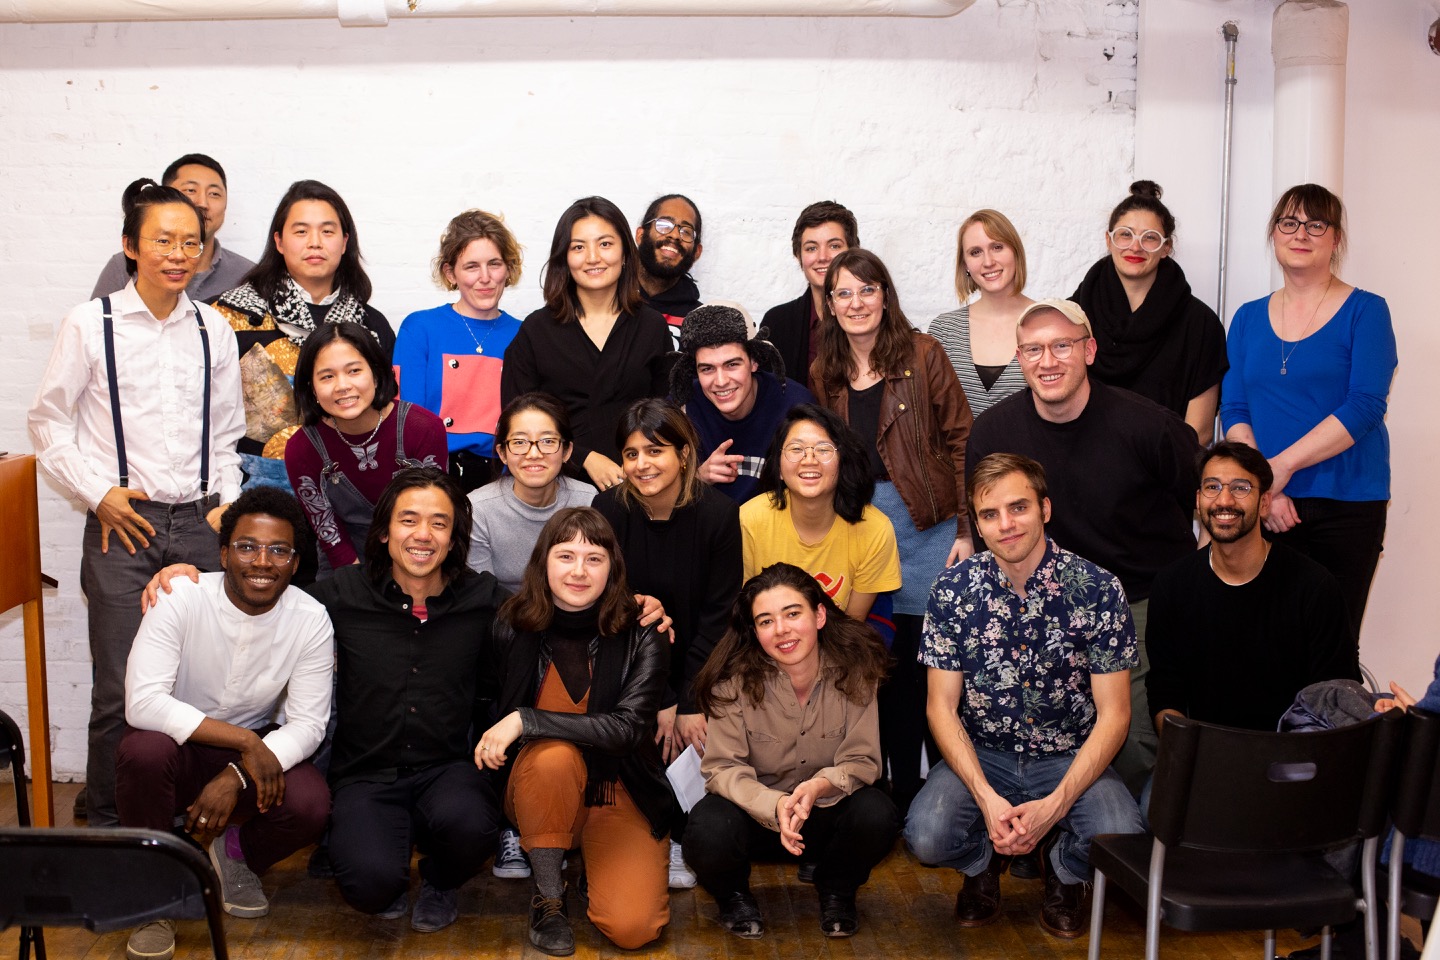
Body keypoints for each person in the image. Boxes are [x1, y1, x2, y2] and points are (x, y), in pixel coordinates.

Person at [29, 178, 245, 829]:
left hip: (203, 524)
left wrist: (225, 506)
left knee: (205, 685)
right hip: (124, 527)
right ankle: (107, 826)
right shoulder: (88, 324)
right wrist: (98, 493)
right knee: (122, 688)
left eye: (190, 242)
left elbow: (228, 433)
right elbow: (47, 423)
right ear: (130, 245)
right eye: (162, 240)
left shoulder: (214, 328)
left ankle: (190, 822)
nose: (178, 254)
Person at [905, 453, 1144, 940]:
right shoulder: (952, 590)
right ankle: (983, 863)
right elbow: (940, 708)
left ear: (1045, 509)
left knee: (1121, 834)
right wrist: (987, 799)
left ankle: (1063, 868)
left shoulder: (1098, 589)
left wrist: (1055, 806)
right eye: (989, 515)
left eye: (1019, 508)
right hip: (984, 754)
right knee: (925, 836)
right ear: (976, 521)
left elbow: (1116, 714)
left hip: (1068, 754)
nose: (1005, 525)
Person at [966, 299, 1200, 793]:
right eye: (1033, 349)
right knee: (1034, 733)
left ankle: (1127, 853)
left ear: (1089, 350)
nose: (1047, 361)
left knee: (1134, 741)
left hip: (1137, 596)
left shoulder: (1148, 426)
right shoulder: (993, 432)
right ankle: (1049, 840)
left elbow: (1198, 494)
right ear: (1019, 358)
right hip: (1036, 602)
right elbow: (985, 516)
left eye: (1061, 346)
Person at [117, 488, 331, 960]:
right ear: (223, 553)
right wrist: (246, 742)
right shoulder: (180, 597)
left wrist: (238, 771)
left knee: (311, 802)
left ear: (295, 563)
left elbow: (310, 725)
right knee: (142, 751)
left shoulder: (311, 619)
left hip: (241, 759)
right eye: (247, 546)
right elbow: (143, 704)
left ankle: (233, 853)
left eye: (278, 550)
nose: (262, 561)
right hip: (177, 744)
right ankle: (153, 897)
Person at [811, 247, 975, 812]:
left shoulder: (923, 354)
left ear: (886, 295)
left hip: (927, 523)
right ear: (829, 304)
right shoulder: (824, 370)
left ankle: (938, 795)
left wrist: (966, 526)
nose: (856, 303)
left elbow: (962, 440)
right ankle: (893, 791)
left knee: (931, 663)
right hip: (859, 524)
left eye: (867, 289)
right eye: (844, 293)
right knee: (880, 664)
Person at [309, 467, 505, 932]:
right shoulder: (340, 595)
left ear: (455, 537)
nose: (423, 535)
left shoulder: (483, 599)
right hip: (365, 774)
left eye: (439, 523)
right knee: (371, 890)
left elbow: (556, 610)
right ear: (383, 532)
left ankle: (439, 880)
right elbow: (264, 601)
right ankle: (375, 855)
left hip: (448, 769)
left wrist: (636, 604)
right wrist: (191, 577)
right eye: (408, 519)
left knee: (475, 827)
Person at [476, 507, 676, 955]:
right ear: (543, 561)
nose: (579, 571)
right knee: (555, 757)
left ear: (614, 568)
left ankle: (593, 864)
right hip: (538, 785)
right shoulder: (510, 624)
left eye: (595, 558)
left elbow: (627, 731)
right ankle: (548, 895)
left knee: (633, 928)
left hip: (617, 786)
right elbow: (484, 701)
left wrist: (525, 719)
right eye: (566, 556)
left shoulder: (645, 630)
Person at [1219, 183, 1396, 652]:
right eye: (1289, 223)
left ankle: (1328, 728)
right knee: (1261, 643)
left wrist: (1279, 470)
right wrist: (1263, 487)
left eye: (1317, 224)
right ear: (1274, 233)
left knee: (1332, 645)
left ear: (1335, 239)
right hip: (1267, 504)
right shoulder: (1247, 318)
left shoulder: (1367, 311)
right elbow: (1234, 408)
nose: (1301, 234)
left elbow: (1365, 406)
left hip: (1347, 502)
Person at [683, 562, 898, 939]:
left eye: (792, 613)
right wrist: (775, 805)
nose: (781, 629)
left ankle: (837, 889)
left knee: (878, 813)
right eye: (765, 621)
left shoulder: (856, 670)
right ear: (754, 631)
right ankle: (734, 896)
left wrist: (818, 787)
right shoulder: (730, 682)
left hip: (824, 813)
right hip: (757, 820)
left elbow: (863, 761)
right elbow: (722, 769)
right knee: (706, 827)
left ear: (819, 615)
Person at [593, 399, 743, 888]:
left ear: (684, 454)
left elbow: (720, 617)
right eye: (631, 454)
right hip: (629, 660)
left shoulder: (719, 515)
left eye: (655, 450)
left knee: (697, 738)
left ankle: (684, 835)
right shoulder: (609, 509)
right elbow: (610, 608)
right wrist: (660, 697)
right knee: (638, 727)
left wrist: (688, 699)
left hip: (704, 663)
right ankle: (643, 828)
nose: (641, 465)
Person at [1146, 440, 1356, 736]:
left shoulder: (1314, 586)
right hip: (1204, 754)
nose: (1224, 501)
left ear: (1265, 502)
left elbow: (1336, 691)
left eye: (1241, 488)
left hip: (1292, 757)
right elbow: (1165, 689)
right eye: (1212, 487)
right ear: (1197, 499)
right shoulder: (1172, 585)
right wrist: (1184, 749)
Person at [211, 179, 394, 491]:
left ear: (345, 241)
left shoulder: (371, 326)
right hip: (252, 497)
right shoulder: (230, 317)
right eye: (301, 231)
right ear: (279, 242)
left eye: (327, 231)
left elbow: (386, 418)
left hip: (350, 497)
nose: (315, 242)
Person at [501, 196, 672, 492]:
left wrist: (636, 462)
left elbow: (665, 415)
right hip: (555, 486)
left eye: (605, 244)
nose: (593, 257)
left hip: (637, 482)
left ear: (625, 253)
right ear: (564, 258)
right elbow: (516, 420)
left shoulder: (652, 326)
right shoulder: (536, 330)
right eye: (578, 247)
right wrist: (584, 458)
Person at [284, 323, 447, 574]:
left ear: (377, 373)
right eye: (327, 376)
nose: (342, 386)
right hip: (345, 564)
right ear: (311, 387)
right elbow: (329, 534)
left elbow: (436, 516)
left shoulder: (424, 428)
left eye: (354, 371)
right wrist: (360, 590)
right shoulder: (301, 449)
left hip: (419, 556)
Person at [1072, 180, 1228, 441]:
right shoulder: (1073, 317)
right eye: (1125, 234)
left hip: (1164, 473)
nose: (1136, 247)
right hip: (1081, 468)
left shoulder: (1201, 325)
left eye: (1150, 238)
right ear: (1108, 240)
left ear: (1166, 248)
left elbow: (1199, 433)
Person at [394, 209, 525, 491]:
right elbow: (406, 417)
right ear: (450, 273)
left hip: (504, 477)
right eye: (471, 266)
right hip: (434, 474)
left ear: (509, 269)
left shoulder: (524, 333)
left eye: (495, 264)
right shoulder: (420, 328)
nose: (486, 277)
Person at [740, 404, 900, 622]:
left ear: (842, 462)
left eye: (823, 449)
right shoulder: (749, 519)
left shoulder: (874, 530)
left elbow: (851, 625)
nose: (809, 460)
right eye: (796, 449)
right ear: (778, 466)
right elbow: (745, 614)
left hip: (836, 644)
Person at [669, 304, 815, 504]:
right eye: (707, 369)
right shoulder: (682, 407)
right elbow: (655, 491)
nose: (720, 381)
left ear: (754, 361)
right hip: (710, 529)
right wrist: (697, 477)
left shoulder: (794, 405)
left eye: (732, 365)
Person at [468, 392, 596, 594]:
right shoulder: (478, 510)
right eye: (519, 442)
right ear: (502, 453)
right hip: (504, 618)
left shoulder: (589, 501)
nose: (534, 454)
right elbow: (482, 597)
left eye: (547, 441)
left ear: (567, 451)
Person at [91, 153, 256, 303]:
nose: (203, 203)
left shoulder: (248, 274)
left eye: (214, 194)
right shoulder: (125, 264)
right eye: (190, 190)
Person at [929, 209, 1035, 415]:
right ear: (965, 264)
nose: (988, 261)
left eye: (997, 247)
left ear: (1015, 252)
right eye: (975, 252)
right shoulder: (944, 331)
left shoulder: (1048, 322)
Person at [760, 201, 859, 383]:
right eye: (811, 248)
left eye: (834, 246)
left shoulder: (870, 315)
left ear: (853, 252)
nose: (822, 257)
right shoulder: (777, 323)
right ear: (798, 256)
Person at [634, 193, 704, 342]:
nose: (675, 235)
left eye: (686, 231)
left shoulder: (702, 322)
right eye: (664, 225)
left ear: (697, 252)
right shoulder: (606, 299)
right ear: (640, 235)